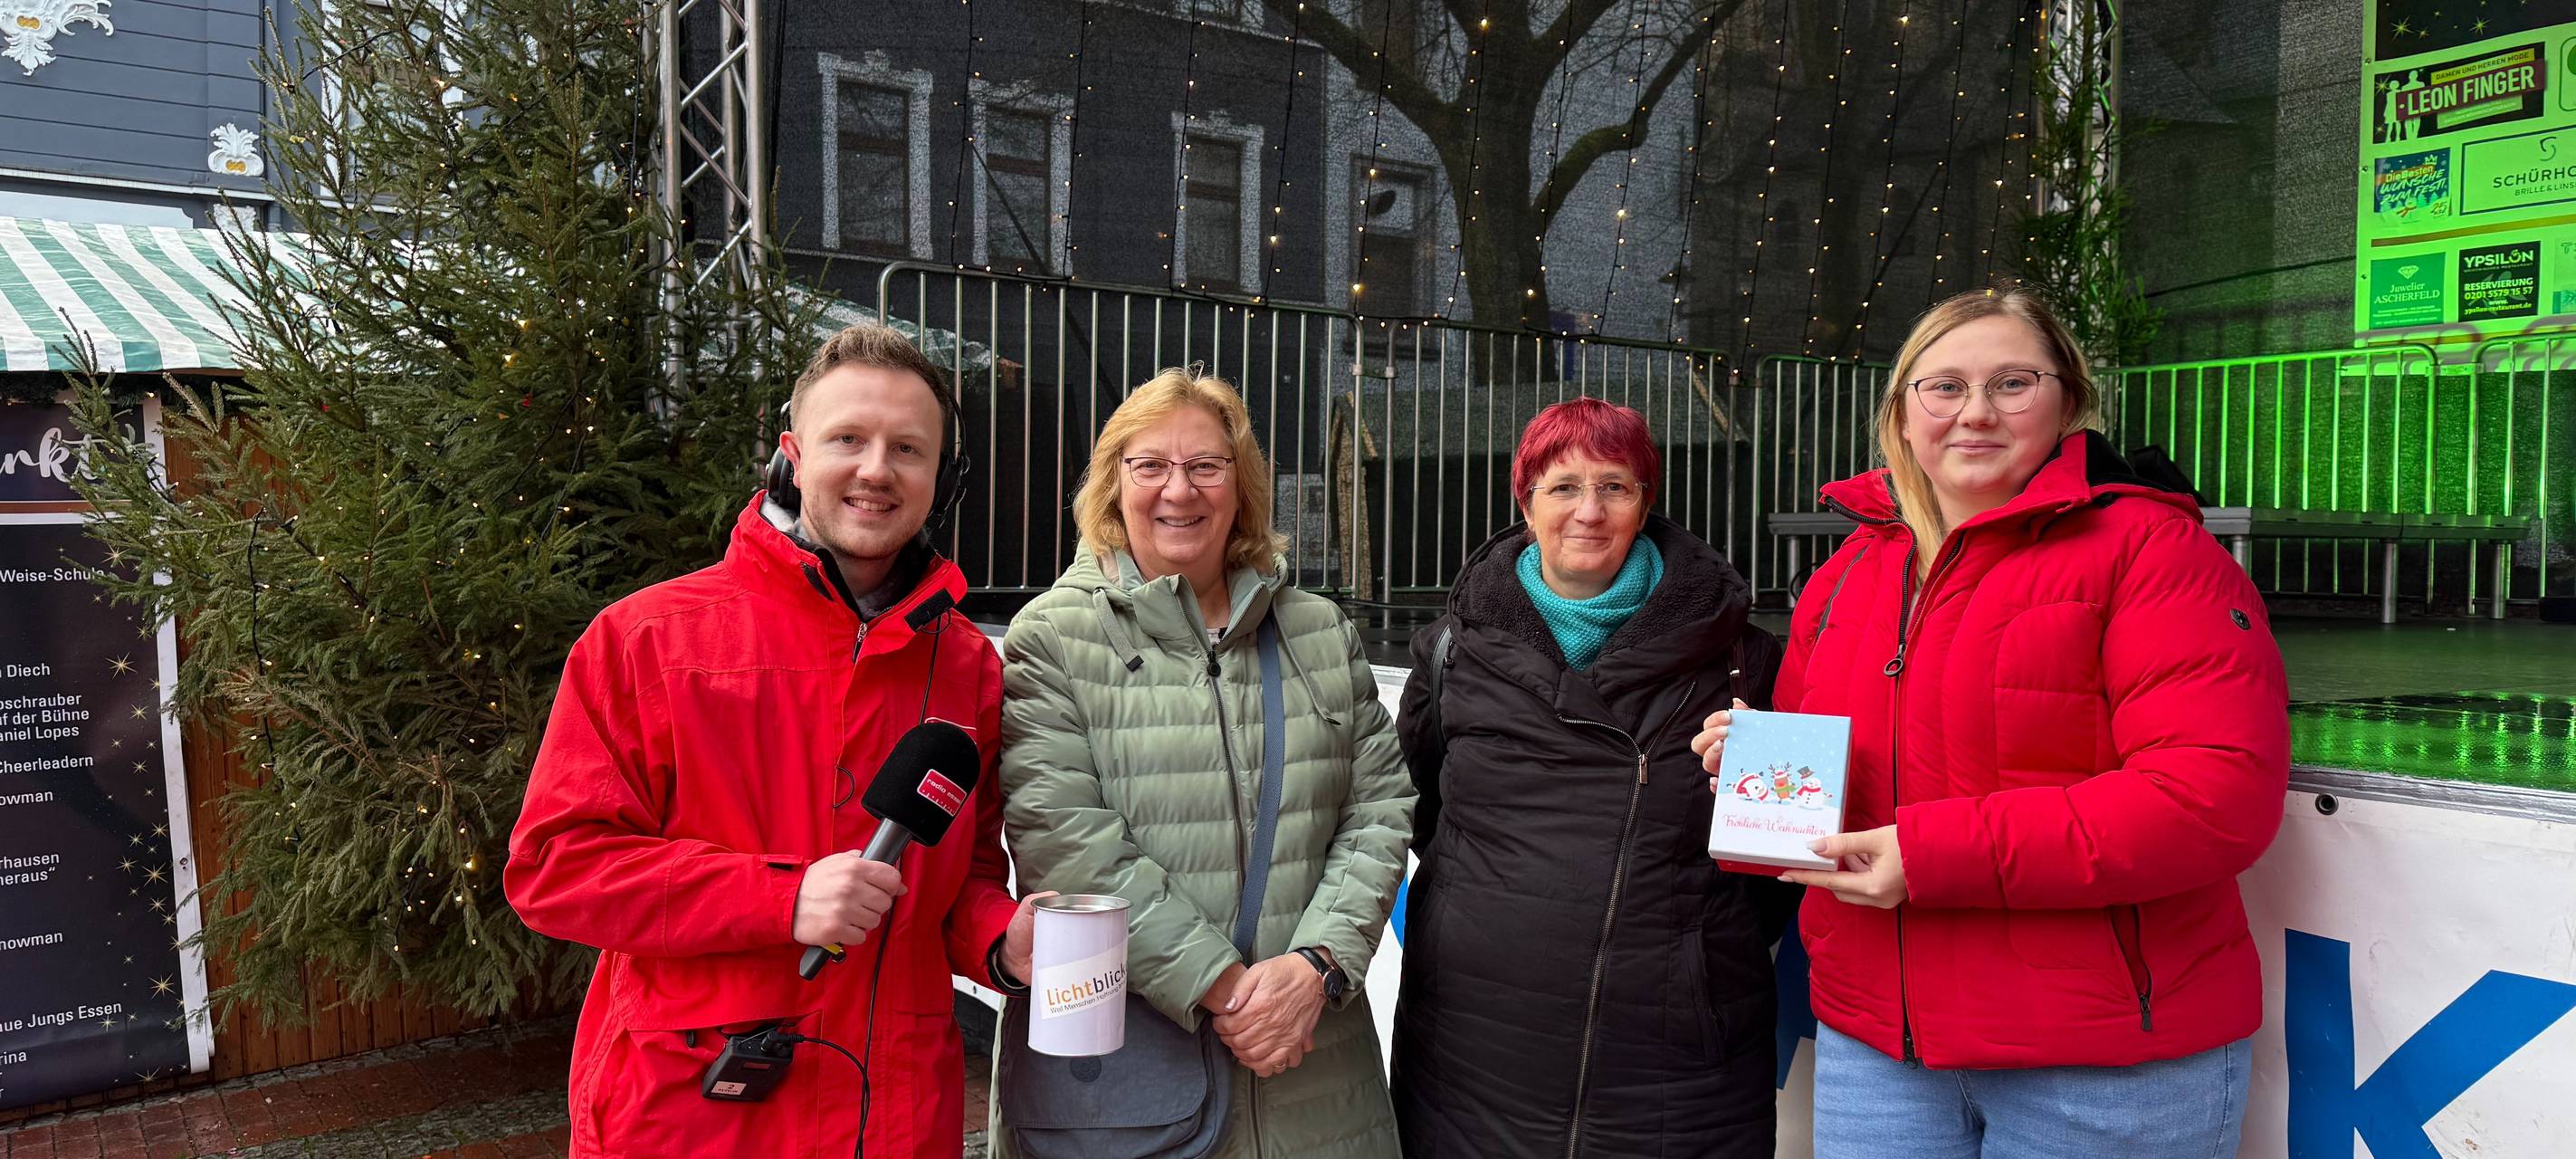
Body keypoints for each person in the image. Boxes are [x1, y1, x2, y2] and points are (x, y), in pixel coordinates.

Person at [1695, 289, 2289, 1157]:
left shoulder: (2155, 553)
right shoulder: (1851, 569)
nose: (1975, 412)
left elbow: (2211, 799)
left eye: (2013, 383)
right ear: (1903, 412)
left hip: (2099, 1059)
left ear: (2069, 401)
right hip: (1881, 1044)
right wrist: (1758, 760)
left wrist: (1931, 856)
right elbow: (1846, 774)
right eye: (1944, 387)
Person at [506, 323, 1045, 1157]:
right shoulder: (645, 639)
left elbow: (954, 877)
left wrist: (1001, 942)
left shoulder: (966, 667)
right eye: (848, 440)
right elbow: (556, 866)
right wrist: (779, 899)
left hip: (893, 1116)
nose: (876, 469)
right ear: (792, 455)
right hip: (695, 1117)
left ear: (944, 478)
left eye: (908, 448)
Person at [993, 367, 1414, 1158]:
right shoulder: (1052, 636)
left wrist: (1316, 966)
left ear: (1240, 483)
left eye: (1205, 466)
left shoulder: (1316, 629)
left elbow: (1380, 809)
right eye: (1149, 464)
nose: (1177, 490)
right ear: (1114, 484)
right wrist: (1232, 993)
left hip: (1317, 1074)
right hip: (1133, 1090)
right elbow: (1068, 844)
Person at [1388, 397, 1792, 1159]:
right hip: (1475, 1045)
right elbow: (1427, 810)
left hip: (1677, 1058)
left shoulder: (1744, 659)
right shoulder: (1449, 652)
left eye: (1615, 486)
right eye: (1564, 487)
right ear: (1525, 502)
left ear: (1646, 503)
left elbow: (1776, 864)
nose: (1590, 511)